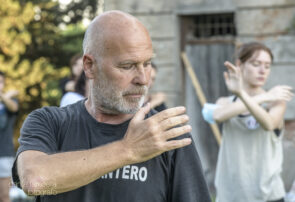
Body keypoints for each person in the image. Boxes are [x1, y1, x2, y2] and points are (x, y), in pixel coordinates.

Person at [12, 11, 211, 202]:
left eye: (147, 63)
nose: (143, 79)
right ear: (89, 66)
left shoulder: (166, 134)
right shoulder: (51, 123)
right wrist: (128, 150)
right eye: (127, 66)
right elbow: (35, 182)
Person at [204, 42, 293, 202]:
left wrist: (244, 95)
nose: (262, 71)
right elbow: (217, 116)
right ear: (240, 64)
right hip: (231, 195)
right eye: (256, 64)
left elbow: (269, 124)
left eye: (267, 66)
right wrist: (262, 96)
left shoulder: (276, 103)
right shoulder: (225, 101)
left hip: (269, 195)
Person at [0, 71, 19, 202]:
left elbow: (14, 108)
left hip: (4, 155)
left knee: (4, 196)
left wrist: (4, 96)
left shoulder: (9, 102)